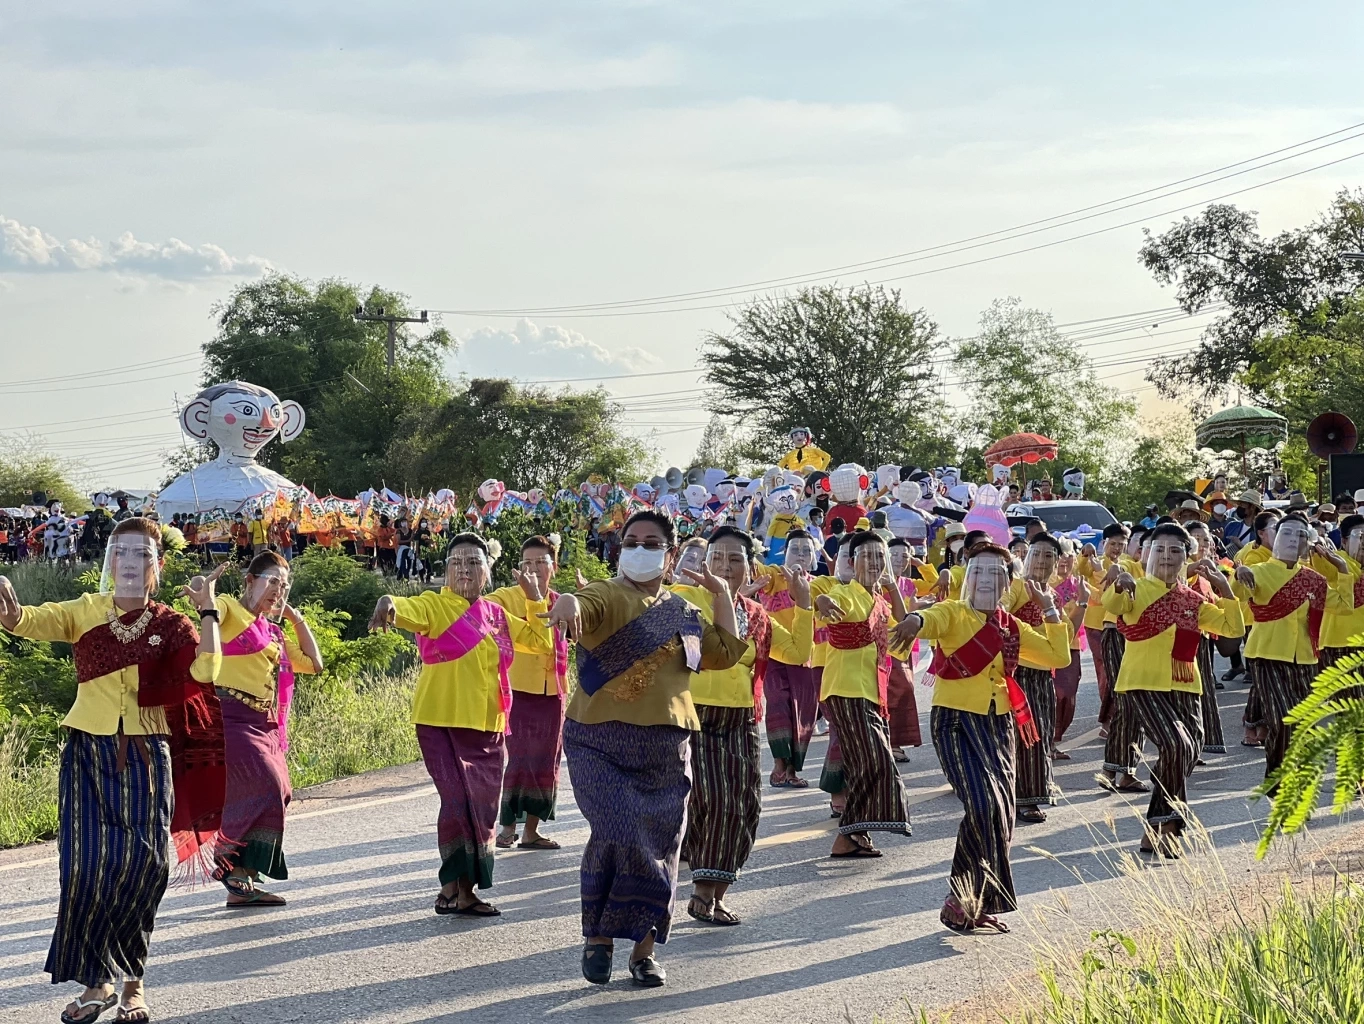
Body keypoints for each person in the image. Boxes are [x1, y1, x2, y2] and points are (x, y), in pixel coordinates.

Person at [0, 517, 224, 1024]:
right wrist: (11, 614)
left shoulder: (173, 624)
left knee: (145, 868)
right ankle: (97, 982)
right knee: (84, 868)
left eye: (142, 554)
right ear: (109, 561)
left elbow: (207, 672)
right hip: (87, 752)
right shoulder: (85, 611)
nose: (130, 561)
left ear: (156, 567)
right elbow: (34, 620)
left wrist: (208, 608)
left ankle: (133, 983)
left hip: (148, 755)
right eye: (121, 552)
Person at [542, 510, 746, 988]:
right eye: (631, 541)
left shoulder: (685, 612)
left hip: (667, 745)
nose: (640, 549)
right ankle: (598, 937)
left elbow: (723, 654)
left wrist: (722, 595)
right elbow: (581, 606)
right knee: (620, 830)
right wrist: (568, 600)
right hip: (598, 740)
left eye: (651, 542)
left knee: (662, 844)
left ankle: (644, 952)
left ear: (670, 554)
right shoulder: (606, 594)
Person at [369, 533, 553, 919]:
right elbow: (408, 609)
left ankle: (458, 890)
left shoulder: (497, 614)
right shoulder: (436, 605)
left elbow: (541, 641)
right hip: (441, 723)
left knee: (482, 808)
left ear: (488, 570)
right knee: (456, 803)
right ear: (446, 571)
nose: (465, 570)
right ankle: (455, 890)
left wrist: (536, 598)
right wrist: (389, 602)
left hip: (489, 725)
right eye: (457, 563)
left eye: (474, 562)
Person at [891, 543, 1068, 933]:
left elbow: (1059, 656)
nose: (986, 580)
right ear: (967, 577)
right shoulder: (954, 612)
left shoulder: (1012, 625)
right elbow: (930, 618)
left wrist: (1051, 609)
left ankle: (968, 901)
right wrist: (915, 621)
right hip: (955, 723)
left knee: (1002, 812)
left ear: (1008, 582)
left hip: (1000, 724)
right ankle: (964, 898)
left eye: (995, 574)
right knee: (985, 803)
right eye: (979, 572)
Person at [672, 526, 812, 926]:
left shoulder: (756, 616)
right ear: (704, 563)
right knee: (714, 800)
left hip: (743, 718)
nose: (726, 566)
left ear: (749, 567)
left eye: (735, 559)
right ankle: (701, 892)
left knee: (746, 805)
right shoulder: (685, 601)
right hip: (695, 714)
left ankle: (716, 894)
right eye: (718, 558)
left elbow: (799, 652)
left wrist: (804, 605)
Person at [1104, 524, 1242, 856]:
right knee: (1176, 744)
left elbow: (1231, 632)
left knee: (1188, 750)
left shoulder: (1193, 600)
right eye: (1160, 549)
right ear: (1146, 554)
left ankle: (1154, 826)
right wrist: (1120, 583)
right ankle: (1168, 827)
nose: (1167, 556)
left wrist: (1226, 591)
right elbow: (1114, 604)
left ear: (1187, 557)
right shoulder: (1134, 588)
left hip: (1185, 685)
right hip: (1141, 683)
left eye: (1175, 550)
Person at [211, 550, 322, 905]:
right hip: (231, 717)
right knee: (266, 782)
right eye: (272, 581)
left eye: (284, 584)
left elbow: (314, 663)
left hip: (264, 724)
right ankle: (228, 862)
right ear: (249, 581)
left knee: (282, 790)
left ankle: (245, 880)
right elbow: (212, 611)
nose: (278, 589)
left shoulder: (272, 633)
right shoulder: (230, 609)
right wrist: (204, 594)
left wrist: (293, 615)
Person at [810, 531, 912, 859]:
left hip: (870, 692)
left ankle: (856, 835)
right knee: (876, 760)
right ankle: (850, 833)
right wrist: (821, 602)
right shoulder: (846, 593)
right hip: (844, 691)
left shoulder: (879, 601)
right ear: (852, 563)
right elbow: (824, 600)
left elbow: (902, 621)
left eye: (878, 556)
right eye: (866, 556)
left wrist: (893, 583)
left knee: (863, 764)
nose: (874, 562)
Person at [1233, 513, 1350, 786]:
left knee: (1300, 727)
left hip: (1306, 659)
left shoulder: (1314, 580)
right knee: (1284, 721)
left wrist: (1342, 569)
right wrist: (1238, 573)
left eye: (1300, 535)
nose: (1292, 540)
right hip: (1268, 657)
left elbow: (1344, 604)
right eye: (1286, 533)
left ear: (1307, 543)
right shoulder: (1258, 571)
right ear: (1273, 538)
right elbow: (1234, 594)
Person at [489, 536, 570, 851]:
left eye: (541, 562)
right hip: (518, 691)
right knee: (521, 758)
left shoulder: (561, 600)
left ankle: (531, 832)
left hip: (554, 691)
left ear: (554, 566)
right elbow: (481, 609)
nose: (534, 569)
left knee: (546, 760)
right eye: (527, 563)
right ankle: (507, 828)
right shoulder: (506, 597)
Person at [1002, 533, 1072, 822]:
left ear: (1057, 563)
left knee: (1040, 732)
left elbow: (1064, 633)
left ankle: (1034, 790)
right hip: (1019, 672)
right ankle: (1024, 798)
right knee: (1025, 733)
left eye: (1049, 557)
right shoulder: (1017, 586)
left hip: (1044, 673)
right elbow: (1000, 611)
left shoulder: (1052, 595)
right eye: (1037, 554)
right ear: (1025, 557)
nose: (1042, 561)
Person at [758, 528, 824, 786]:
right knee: (777, 702)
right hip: (774, 652)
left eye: (807, 550)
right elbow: (753, 568)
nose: (801, 554)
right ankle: (778, 765)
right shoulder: (774, 575)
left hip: (806, 656)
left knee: (803, 711)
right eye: (795, 548)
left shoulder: (817, 585)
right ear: (784, 552)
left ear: (814, 555)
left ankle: (792, 771)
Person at [1049, 540, 1090, 754]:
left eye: (1069, 554)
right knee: (1056, 694)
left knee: (1069, 695)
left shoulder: (1079, 584)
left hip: (1072, 645)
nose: (1065, 558)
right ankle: (1049, 741)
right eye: (1061, 554)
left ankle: (1055, 738)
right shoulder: (1046, 583)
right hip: (1050, 645)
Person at [1321, 514, 1364, 670]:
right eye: (1359, 536)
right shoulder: (1337, 560)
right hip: (1340, 644)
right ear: (1344, 541)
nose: (1363, 542)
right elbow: (1321, 565)